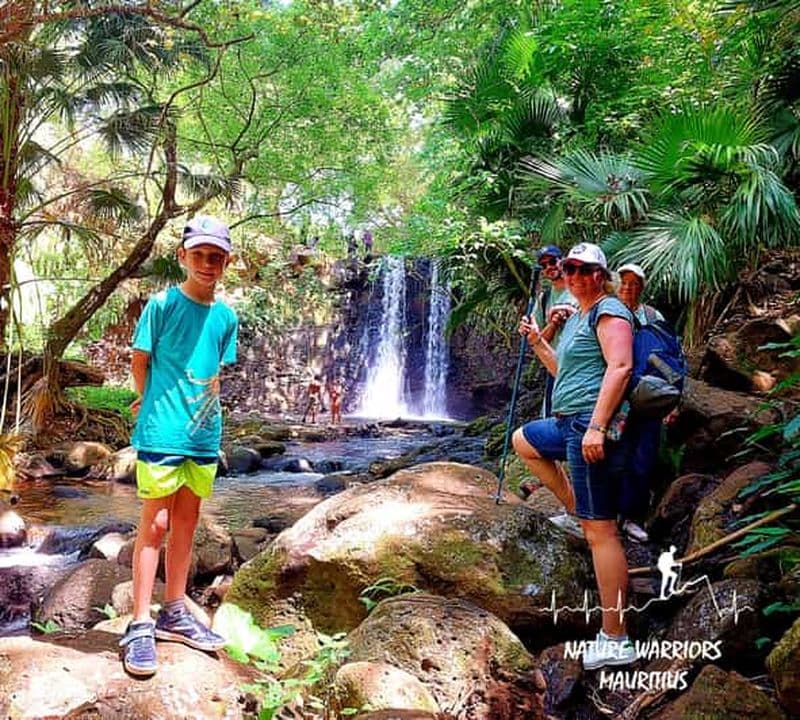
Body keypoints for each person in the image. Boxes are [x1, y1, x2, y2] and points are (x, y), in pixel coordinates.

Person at [122, 215, 238, 677]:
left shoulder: (226, 317)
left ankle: (174, 611)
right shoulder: (162, 304)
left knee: (187, 521)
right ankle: (139, 622)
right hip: (162, 431)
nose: (207, 264)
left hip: (203, 434)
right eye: (200, 255)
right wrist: (145, 398)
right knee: (157, 522)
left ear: (227, 262)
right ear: (183, 257)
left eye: (216, 257)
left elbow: (214, 374)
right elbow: (140, 360)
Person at [512, 242, 636, 671]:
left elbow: (620, 367)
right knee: (524, 441)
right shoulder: (578, 316)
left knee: (602, 532)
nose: (576, 277)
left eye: (586, 270)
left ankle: (617, 638)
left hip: (588, 423)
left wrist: (598, 427)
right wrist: (536, 341)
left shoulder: (609, 311)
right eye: (570, 269)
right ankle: (573, 509)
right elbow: (561, 371)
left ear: (601, 275)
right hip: (566, 422)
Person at [519, 244, 578, 500]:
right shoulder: (543, 300)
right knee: (554, 421)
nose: (548, 268)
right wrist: (553, 323)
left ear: (563, 261)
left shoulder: (579, 290)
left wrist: (571, 316)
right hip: (554, 368)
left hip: (580, 371)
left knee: (577, 424)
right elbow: (538, 338)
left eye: (552, 261)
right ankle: (560, 488)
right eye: (543, 265)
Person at [615, 263, 664, 544]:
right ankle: (606, 516)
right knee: (613, 457)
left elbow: (667, 359)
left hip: (647, 400)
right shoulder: (607, 314)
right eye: (623, 282)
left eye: (634, 283)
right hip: (614, 402)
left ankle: (632, 517)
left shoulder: (653, 318)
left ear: (642, 288)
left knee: (643, 458)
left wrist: (671, 401)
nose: (628, 288)